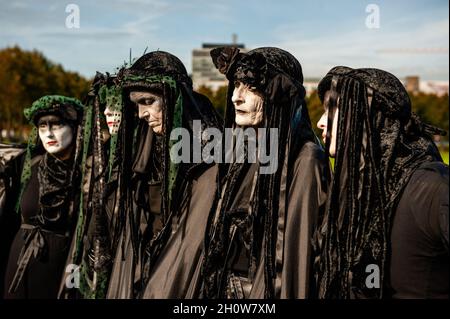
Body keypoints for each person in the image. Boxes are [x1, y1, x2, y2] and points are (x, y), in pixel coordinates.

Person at [199, 46, 329, 299]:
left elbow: (296, 257)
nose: (236, 96)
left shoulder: (306, 158)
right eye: (236, 84)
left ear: (277, 94)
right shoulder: (239, 151)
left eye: (251, 87)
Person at [315, 66, 449, 299]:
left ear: (371, 116)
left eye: (332, 109)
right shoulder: (355, 192)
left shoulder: (432, 187)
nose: (320, 122)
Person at [105, 51, 223, 298]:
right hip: (147, 272)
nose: (141, 114)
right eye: (137, 104)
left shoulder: (211, 152)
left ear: (173, 97)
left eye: (148, 101)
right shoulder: (146, 148)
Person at [2, 95, 84, 298]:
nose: (48, 133)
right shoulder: (27, 166)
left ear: (74, 127)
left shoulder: (87, 173)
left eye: (56, 125)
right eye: (42, 126)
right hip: (18, 264)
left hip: (60, 271)